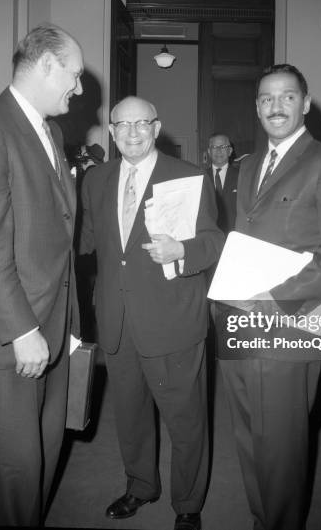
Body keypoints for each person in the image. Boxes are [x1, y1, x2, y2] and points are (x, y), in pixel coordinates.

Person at [217, 64, 321, 530]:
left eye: (286, 97)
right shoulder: (247, 166)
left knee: (280, 449)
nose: (275, 106)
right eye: (265, 98)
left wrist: (279, 299)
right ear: (257, 107)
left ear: (305, 103)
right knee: (249, 439)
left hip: (288, 324)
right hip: (239, 321)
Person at [0, 23, 83, 526]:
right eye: (74, 74)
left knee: (45, 452)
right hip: (10, 334)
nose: (79, 87)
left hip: (51, 323)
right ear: (46, 66)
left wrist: (64, 325)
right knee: (18, 469)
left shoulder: (50, 130)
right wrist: (23, 330)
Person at [80, 96, 224, 530]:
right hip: (117, 321)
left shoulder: (189, 176)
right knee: (130, 416)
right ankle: (141, 486)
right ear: (111, 130)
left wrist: (183, 249)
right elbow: (89, 243)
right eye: (122, 125)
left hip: (173, 319)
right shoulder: (96, 179)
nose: (132, 133)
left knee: (187, 421)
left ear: (157, 127)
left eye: (142, 123)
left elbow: (215, 240)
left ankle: (188, 504)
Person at [206, 133, 239, 234]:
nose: (219, 150)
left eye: (223, 146)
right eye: (214, 147)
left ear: (230, 151)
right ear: (209, 151)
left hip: (234, 236)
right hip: (208, 236)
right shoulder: (200, 177)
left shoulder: (242, 176)